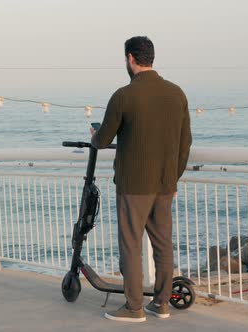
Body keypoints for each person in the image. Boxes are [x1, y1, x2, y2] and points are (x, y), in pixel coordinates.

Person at [91, 36, 192, 322]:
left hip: (133, 185)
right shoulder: (177, 93)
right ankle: (161, 304)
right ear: (151, 58)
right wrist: (172, 179)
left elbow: (104, 139)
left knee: (131, 246)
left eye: (126, 59)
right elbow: (186, 143)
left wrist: (94, 136)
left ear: (131, 58)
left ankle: (134, 307)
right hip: (164, 185)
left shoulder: (124, 95)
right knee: (163, 245)